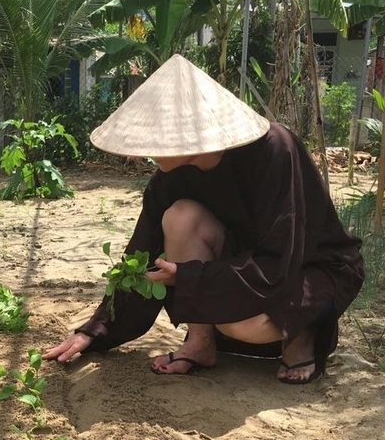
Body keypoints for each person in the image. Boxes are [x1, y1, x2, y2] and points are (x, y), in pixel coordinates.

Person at [43, 54, 364, 384]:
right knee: (180, 217)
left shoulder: (275, 151)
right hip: (240, 266)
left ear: (188, 137)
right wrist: (95, 331)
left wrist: (187, 277)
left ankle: (301, 335)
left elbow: (280, 261)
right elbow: (141, 256)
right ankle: (199, 343)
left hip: (305, 267)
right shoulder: (169, 179)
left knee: (239, 323)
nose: (138, 152)